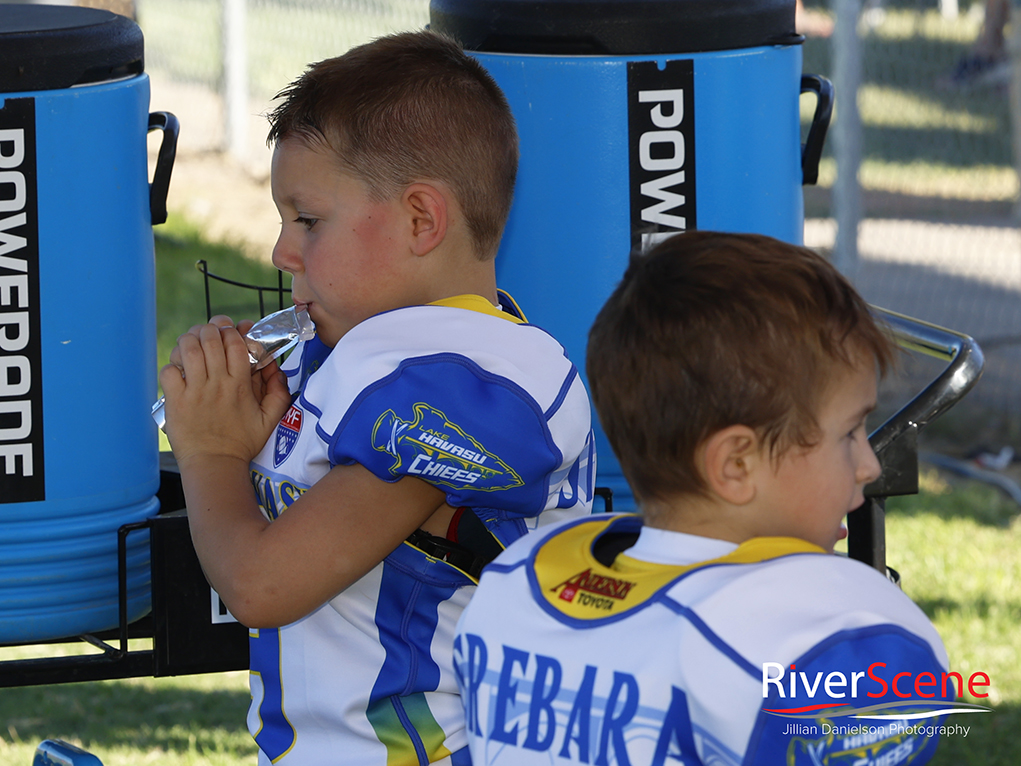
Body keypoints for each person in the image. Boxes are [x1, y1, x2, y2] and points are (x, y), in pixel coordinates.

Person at [159, 30, 596, 766]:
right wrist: (257, 430)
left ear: (422, 220)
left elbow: (263, 585)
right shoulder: (365, 351)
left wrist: (210, 453)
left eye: (308, 219)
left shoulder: (468, 383)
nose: (280, 252)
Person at [453, 232, 955, 766]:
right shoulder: (817, 638)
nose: (870, 464)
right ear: (736, 464)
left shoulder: (515, 584)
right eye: (849, 432)